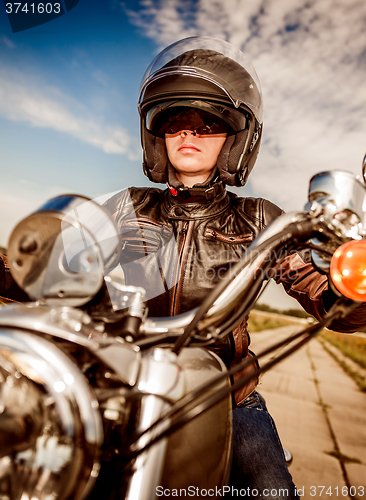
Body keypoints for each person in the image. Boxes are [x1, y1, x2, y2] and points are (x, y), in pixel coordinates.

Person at [1, 36, 366, 498]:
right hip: (127, 388)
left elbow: (322, 289)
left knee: (271, 489)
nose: (188, 134)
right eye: (174, 122)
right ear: (157, 136)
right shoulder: (126, 207)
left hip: (228, 397)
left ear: (235, 139)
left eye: (208, 122)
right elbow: (55, 270)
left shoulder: (259, 218)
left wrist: (351, 286)